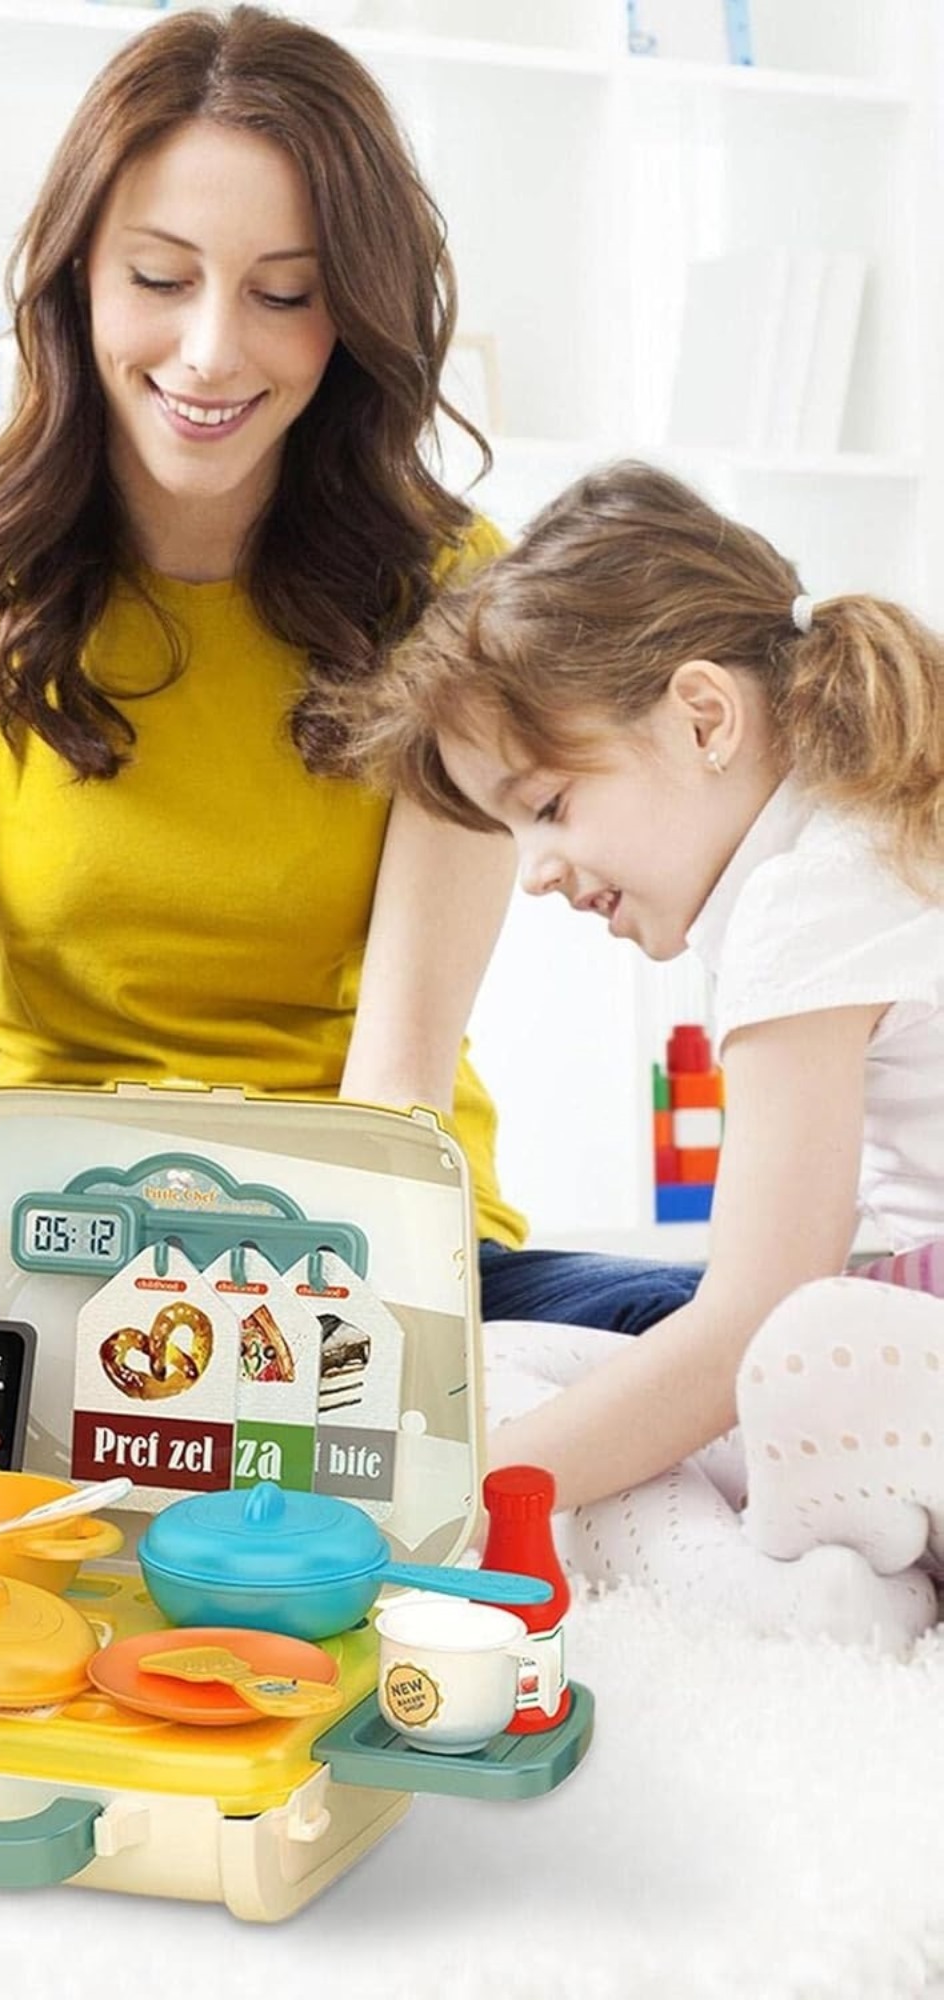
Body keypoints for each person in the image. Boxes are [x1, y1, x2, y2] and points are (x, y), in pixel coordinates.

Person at [0, 4, 705, 1429]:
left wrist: (256, 1317)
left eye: (285, 293)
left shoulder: (454, 595)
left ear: (352, 308)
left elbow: (398, 1079)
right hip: (51, 1254)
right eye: (161, 278)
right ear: (75, 279)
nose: (213, 351)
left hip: (372, 1261)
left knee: (720, 1341)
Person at [343, 459, 942, 1646]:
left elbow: (748, 1319)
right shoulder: (846, 842)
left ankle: (797, 1591)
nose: (533, 872)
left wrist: (447, 1507)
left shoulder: (808, 899)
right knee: (519, 1363)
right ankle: (839, 1578)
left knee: (796, 1352)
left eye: (549, 805)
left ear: (704, 715)